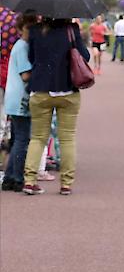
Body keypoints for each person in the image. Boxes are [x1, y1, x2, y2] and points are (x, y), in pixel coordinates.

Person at [22, 18, 91, 195]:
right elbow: (85, 56)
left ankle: (30, 180)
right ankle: (66, 184)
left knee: (37, 137)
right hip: (67, 90)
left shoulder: (35, 30)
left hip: (40, 89)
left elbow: (31, 57)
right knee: (67, 138)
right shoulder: (71, 29)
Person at [1, 12, 37, 192]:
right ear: (20, 29)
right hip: (20, 100)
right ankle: (16, 177)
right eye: (27, 28)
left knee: (17, 139)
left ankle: (8, 177)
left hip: (14, 98)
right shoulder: (23, 47)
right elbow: (25, 75)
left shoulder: (20, 45)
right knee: (22, 140)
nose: (30, 31)